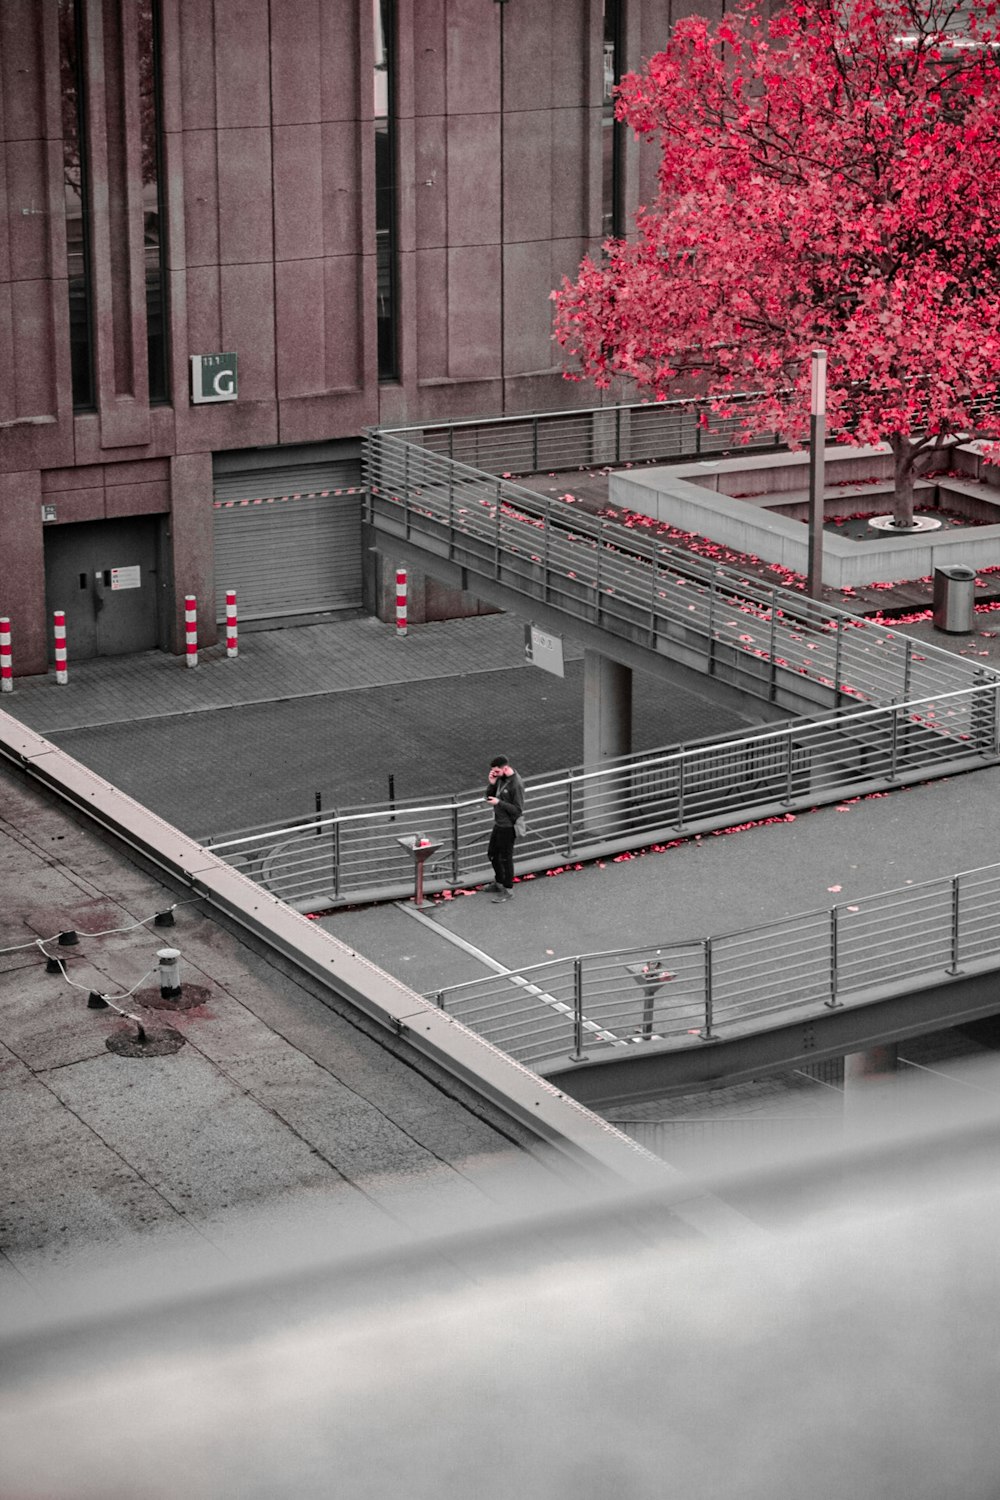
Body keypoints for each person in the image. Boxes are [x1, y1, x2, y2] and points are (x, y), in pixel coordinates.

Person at [484, 756, 524, 903]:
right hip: (499, 824)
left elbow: (518, 810)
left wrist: (499, 802)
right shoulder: (501, 779)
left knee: (506, 859)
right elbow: (488, 797)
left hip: (508, 827)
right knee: (492, 854)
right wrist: (492, 784)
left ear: (505, 768)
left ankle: (508, 890)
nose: (494, 773)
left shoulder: (516, 784)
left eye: (496, 771)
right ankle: (499, 882)